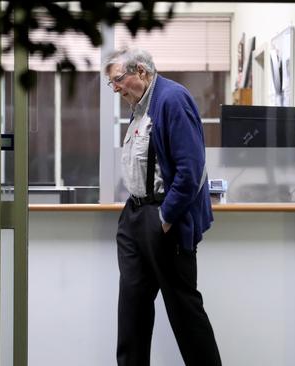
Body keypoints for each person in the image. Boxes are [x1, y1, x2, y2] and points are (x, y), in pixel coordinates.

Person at [102, 47, 221, 366]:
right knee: (132, 317)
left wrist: (165, 219)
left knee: (186, 316)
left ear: (140, 71)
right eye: (111, 84)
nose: (115, 89)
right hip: (135, 218)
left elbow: (190, 170)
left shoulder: (171, 99)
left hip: (164, 219)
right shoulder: (139, 105)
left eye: (117, 81)